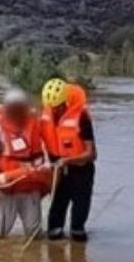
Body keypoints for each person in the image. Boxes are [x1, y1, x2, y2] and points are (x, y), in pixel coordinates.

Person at [0, 89, 48, 239]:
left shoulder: (36, 125)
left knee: (35, 237)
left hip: (31, 187)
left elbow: (54, 138)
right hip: (8, 189)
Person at [40, 79, 97, 242]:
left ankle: (79, 259)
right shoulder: (45, 117)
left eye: (57, 107)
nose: (54, 111)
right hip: (59, 172)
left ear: (65, 102)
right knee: (54, 231)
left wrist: (67, 161)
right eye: (51, 107)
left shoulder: (82, 118)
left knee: (78, 232)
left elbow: (92, 154)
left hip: (81, 171)